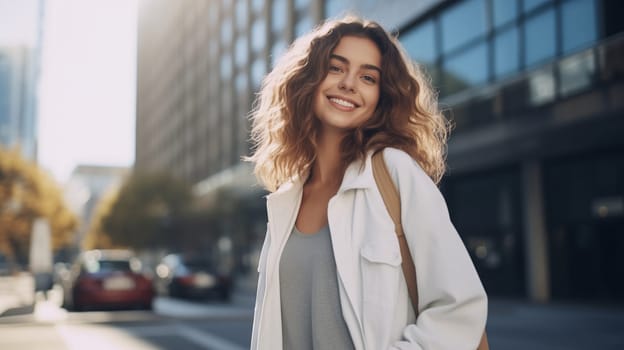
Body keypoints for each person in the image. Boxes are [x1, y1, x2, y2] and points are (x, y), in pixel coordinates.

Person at [246, 15, 488, 350]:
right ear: (309, 79)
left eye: (368, 77)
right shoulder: (286, 199)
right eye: (335, 67)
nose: (349, 83)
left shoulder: (395, 172)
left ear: (381, 97)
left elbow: (458, 307)